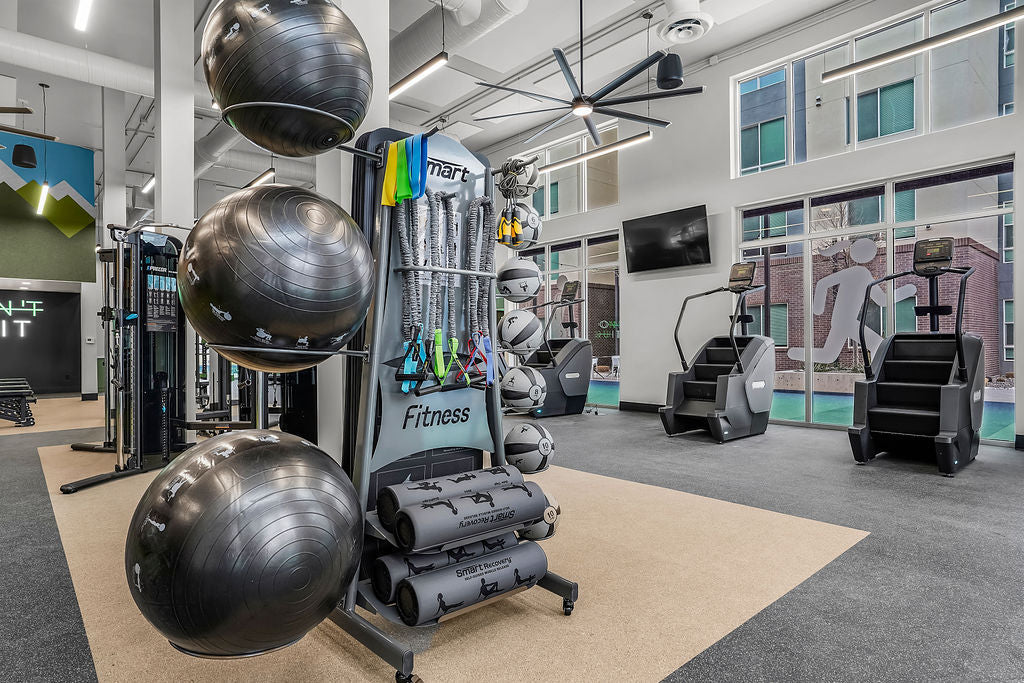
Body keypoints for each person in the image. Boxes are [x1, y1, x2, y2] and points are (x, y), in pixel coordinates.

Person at [787, 237, 916, 363]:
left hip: (841, 320)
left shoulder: (858, 272)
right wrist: (907, 290)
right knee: (877, 344)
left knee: (828, 356)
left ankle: (794, 352)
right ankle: (877, 376)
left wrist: (818, 308)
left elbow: (822, 283)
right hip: (846, 321)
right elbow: (882, 300)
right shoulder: (861, 273)